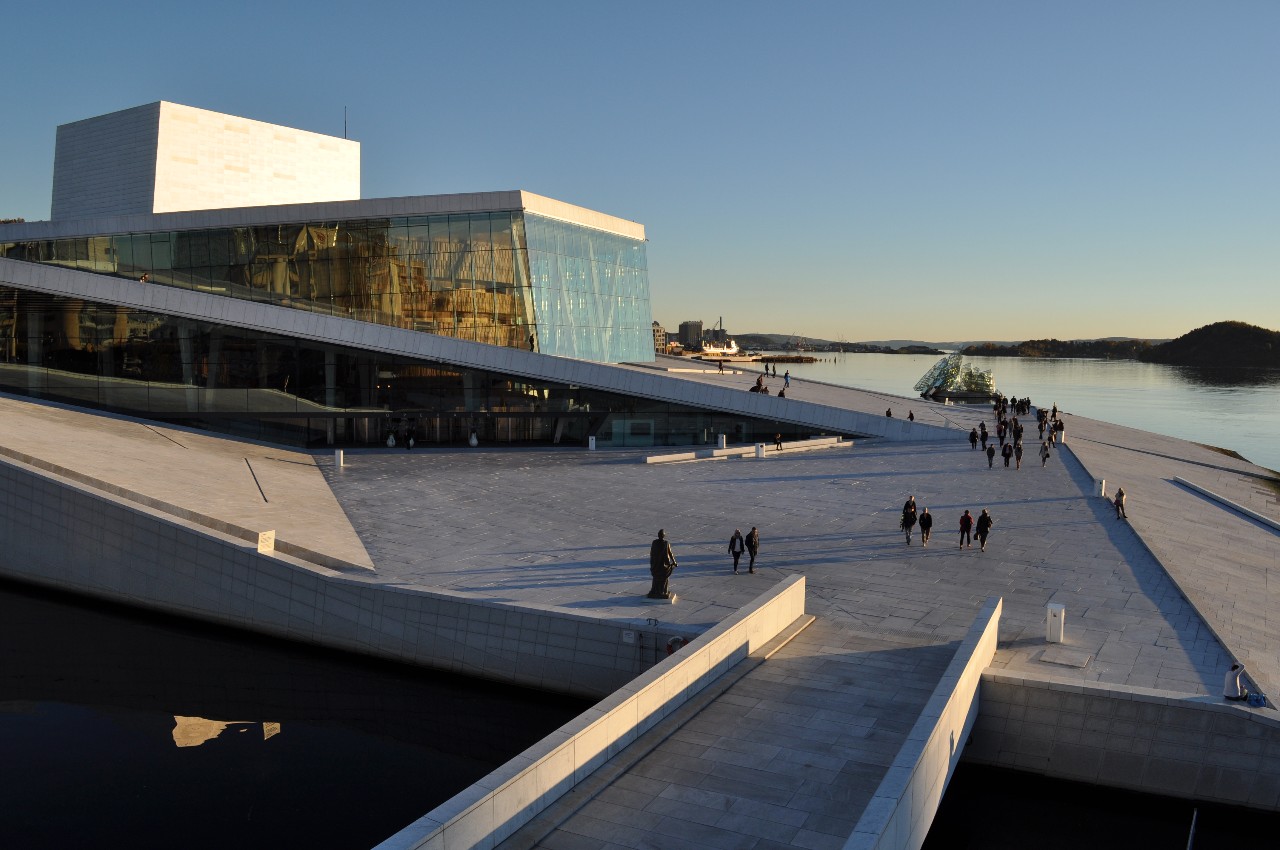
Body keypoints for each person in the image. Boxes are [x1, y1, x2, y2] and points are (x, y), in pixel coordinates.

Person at [647, 530, 678, 599]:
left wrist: (653, 563)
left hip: (656, 565)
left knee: (656, 578)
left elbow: (651, 553)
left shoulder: (654, 542)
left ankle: (655, 591)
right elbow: (670, 553)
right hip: (663, 565)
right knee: (664, 578)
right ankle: (663, 591)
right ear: (664, 536)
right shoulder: (666, 543)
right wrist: (674, 562)